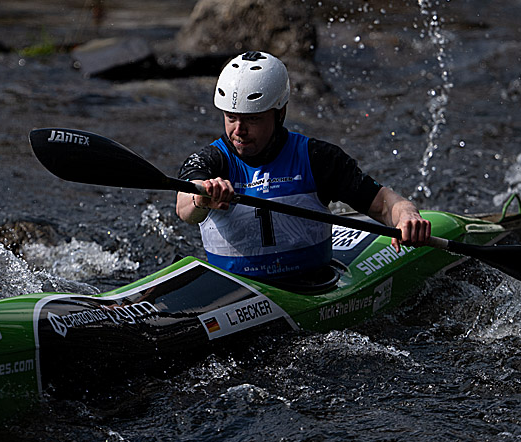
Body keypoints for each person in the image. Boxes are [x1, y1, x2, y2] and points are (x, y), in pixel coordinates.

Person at [176, 50, 431, 282]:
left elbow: (384, 203)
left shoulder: (317, 157)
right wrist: (202, 197)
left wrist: (406, 215)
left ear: (280, 113)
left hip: (313, 284)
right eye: (231, 118)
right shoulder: (209, 160)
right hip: (235, 290)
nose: (239, 131)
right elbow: (184, 207)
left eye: (252, 119)